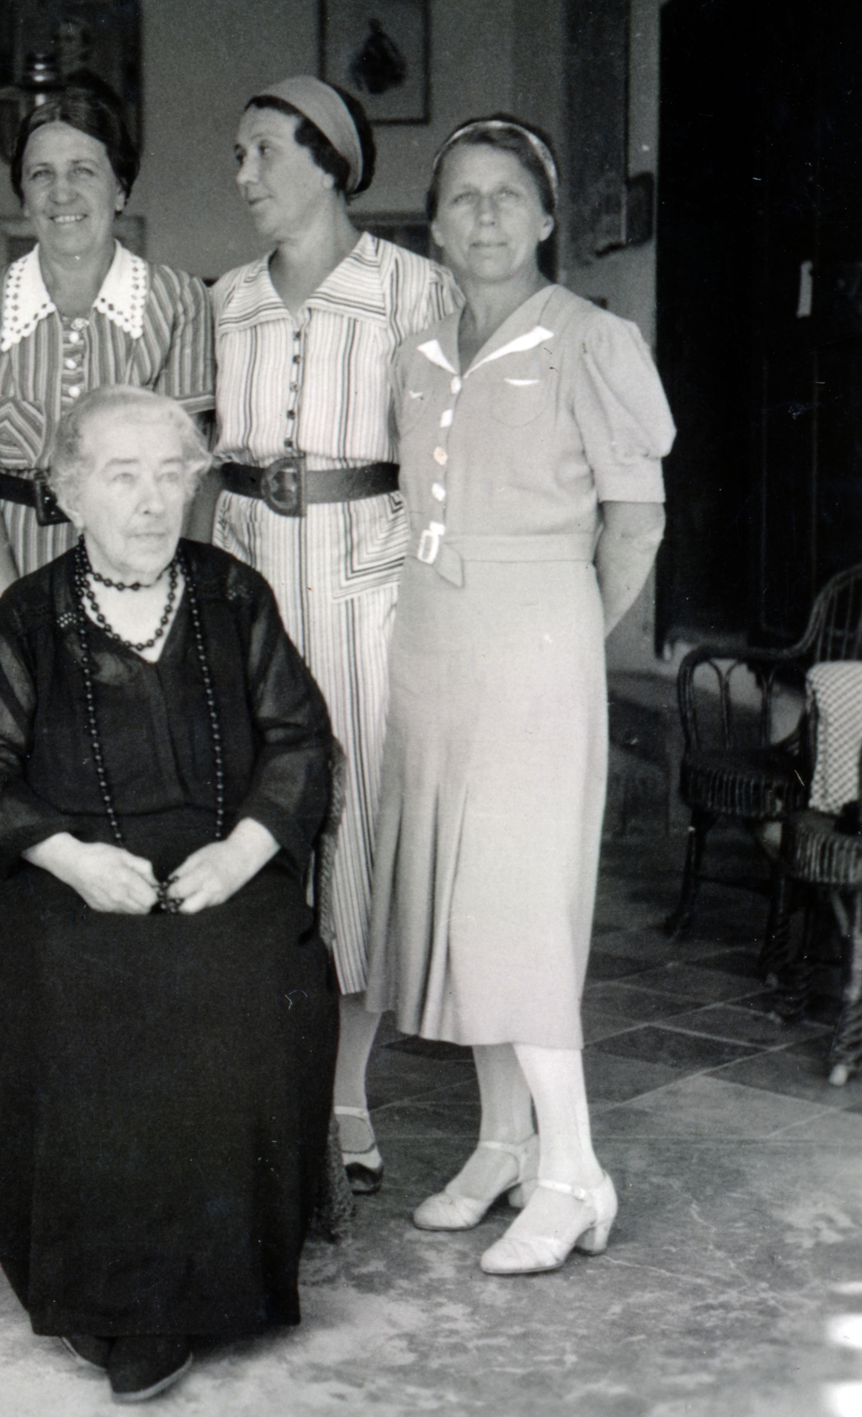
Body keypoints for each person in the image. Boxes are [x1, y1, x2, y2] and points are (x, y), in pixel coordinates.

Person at [0, 386, 338, 1404]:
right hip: (57, 872)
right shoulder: (29, 615)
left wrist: (245, 850)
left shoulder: (235, 595)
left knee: (237, 968)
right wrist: (70, 857)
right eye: (122, 476)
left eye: (170, 474)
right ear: (68, 494)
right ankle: (114, 1300)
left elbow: (297, 741)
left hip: (217, 859)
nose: (151, 501)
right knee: (72, 978)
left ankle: (203, 1287)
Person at [364, 117, 674, 1274]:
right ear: (434, 223)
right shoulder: (420, 347)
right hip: (431, 645)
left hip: (538, 638)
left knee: (521, 905)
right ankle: (501, 1142)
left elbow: (635, 521)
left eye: (508, 195)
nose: (484, 214)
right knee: (458, 899)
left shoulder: (590, 340)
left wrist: (561, 637)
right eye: (461, 197)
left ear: (546, 217)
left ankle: (573, 1168)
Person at [209, 76, 461, 1193]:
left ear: (328, 159)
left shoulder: (414, 289)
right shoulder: (224, 300)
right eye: (240, 154)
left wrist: (411, 574)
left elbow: (445, 462)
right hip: (253, 588)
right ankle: (261, 1086)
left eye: (263, 150)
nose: (244, 175)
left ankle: (347, 1101)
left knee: (351, 836)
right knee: (257, 825)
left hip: (366, 591)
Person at [0, 89, 212, 692]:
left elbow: (187, 481)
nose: (62, 193)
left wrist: (144, 608)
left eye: (84, 171)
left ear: (121, 189)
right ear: (24, 196)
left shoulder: (178, 301)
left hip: (137, 592)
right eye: (41, 174)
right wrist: (24, 620)